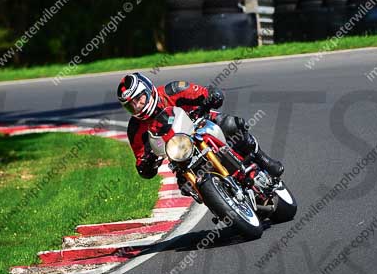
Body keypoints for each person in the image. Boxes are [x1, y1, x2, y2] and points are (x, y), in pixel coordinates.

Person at [117, 71, 284, 194]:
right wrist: (147, 163)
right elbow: (141, 162)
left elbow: (204, 93)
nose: (137, 106)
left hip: (201, 123)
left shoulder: (173, 90)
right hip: (180, 152)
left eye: (139, 99)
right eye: (131, 105)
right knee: (185, 186)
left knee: (233, 125)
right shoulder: (135, 129)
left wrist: (211, 97)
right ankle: (221, 204)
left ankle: (262, 158)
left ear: (148, 90)